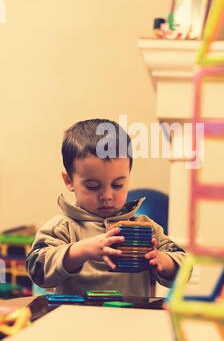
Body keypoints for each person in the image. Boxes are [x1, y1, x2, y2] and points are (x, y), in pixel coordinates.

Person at [26, 119, 186, 296]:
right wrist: (83, 250)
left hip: (130, 318)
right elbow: (36, 269)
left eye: (117, 185)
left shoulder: (145, 228)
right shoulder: (63, 227)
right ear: (69, 180)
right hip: (75, 318)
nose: (107, 196)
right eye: (93, 186)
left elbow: (185, 266)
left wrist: (163, 261)